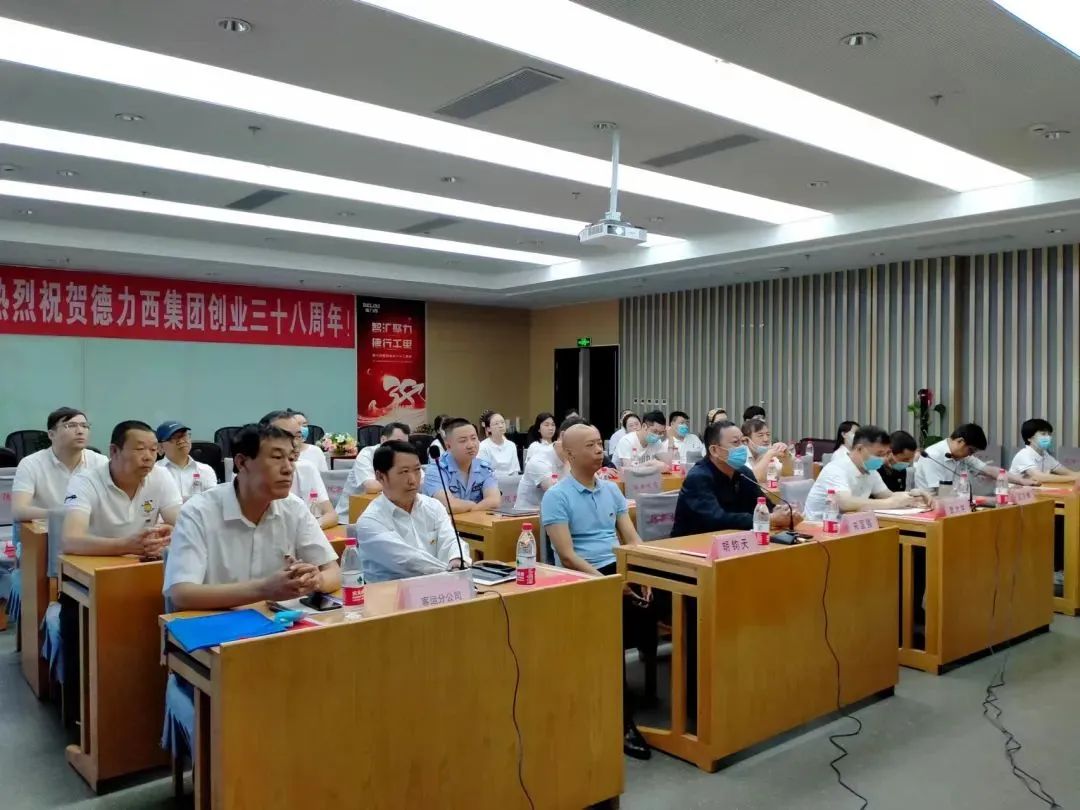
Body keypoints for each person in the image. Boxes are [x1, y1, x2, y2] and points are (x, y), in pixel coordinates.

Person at [541, 423, 658, 761]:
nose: (598, 451)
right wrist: (610, 583)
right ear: (569, 454)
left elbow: (632, 539)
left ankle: (668, 696)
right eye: (590, 445)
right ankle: (621, 721)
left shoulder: (610, 490)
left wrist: (643, 571)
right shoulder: (557, 496)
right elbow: (567, 555)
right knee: (613, 620)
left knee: (667, 597)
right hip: (581, 577)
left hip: (616, 567)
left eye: (599, 444)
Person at [164, 422, 342, 609]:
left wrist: (315, 580)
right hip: (217, 621)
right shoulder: (198, 512)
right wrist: (264, 589)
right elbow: (182, 594)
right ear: (242, 462)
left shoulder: (294, 507)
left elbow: (334, 572)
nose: (288, 468)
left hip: (278, 619)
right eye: (277, 457)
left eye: (291, 459)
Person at [62, 420, 182, 557]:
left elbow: (182, 524)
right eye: (140, 449)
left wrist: (171, 535)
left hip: (144, 562)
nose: (148, 457)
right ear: (114, 451)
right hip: (96, 563)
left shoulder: (161, 475)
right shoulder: (85, 482)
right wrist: (126, 546)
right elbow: (70, 541)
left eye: (153, 450)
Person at [355, 441, 470, 582]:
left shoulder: (433, 506)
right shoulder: (370, 521)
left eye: (417, 470)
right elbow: (407, 561)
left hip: (439, 586)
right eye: (404, 472)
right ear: (380, 477)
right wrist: (451, 572)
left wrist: (457, 560)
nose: (413, 480)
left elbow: (451, 539)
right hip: (391, 592)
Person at [672, 420, 801, 536]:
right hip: (693, 543)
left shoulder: (743, 473)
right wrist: (769, 519)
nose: (742, 448)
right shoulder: (698, 477)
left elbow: (763, 505)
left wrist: (783, 512)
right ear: (715, 450)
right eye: (735, 443)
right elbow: (717, 519)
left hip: (734, 538)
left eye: (742, 442)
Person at [804, 426, 928, 520]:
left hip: (849, 526)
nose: (883, 459)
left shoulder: (871, 471)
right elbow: (845, 503)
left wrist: (915, 496)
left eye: (885, 454)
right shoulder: (836, 468)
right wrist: (890, 503)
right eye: (879, 454)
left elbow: (887, 495)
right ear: (859, 449)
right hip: (819, 527)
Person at [11, 406, 108, 522]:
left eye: (84, 426)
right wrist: (61, 514)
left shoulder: (100, 462)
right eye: (71, 426)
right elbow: (19, 510)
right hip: (47, 529)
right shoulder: (31, 464)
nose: (80, 431)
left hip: (89, 528)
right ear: (51, 435)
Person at [261, 410, 337, 529]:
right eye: (286, 437)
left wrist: (309, 529)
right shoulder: (253, 474)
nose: (295, 444)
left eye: (298, 436)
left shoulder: (307, 468)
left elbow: (331, 514)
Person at [914, 422, 1030, 491]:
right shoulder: (933, 456)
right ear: (960, 441)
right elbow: (941, 492)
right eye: (970, 450)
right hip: (931, 507)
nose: (970, 454)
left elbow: (989, 470)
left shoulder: (962, 456)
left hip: (954, 504)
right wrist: (978, 499)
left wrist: (1021, 480)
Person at [334, 422, 411, 522]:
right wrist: (402, 482)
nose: (402, 448)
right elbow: (371, 487)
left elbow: (420, 481)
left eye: (405, 444)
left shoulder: (404, 457)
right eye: (398, 442)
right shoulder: (367, 454)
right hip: (349, 518)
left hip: (383, 515)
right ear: (383, 440)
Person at [421, 417, 501, 513]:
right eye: (463, 441)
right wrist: (476, 505)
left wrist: (470, 508)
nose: (471, 445)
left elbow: (494, 501)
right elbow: (449, 505)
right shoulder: (436, 470)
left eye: (474, 438)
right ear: (448, 446)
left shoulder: (484, 468)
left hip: (477, 521)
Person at [516, 421, 572, 512]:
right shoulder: (539, 461)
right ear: (562, 436)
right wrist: (568, 460)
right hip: (529, 515)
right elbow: (558, 495)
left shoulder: (579, 457)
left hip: (558, 512)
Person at [155, 421, 218, 501]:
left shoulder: (205, 470)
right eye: (173, 438)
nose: (181, 441)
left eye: (184, 436)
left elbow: (213, 501)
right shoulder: (153, 471)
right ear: (160, 446)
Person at [1009, 419, 1080, 483]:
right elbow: (1039, 477)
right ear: (1030, 438)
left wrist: (1076, 476)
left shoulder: (1045, 455)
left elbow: (1070, 473)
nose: (1048, 437)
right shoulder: (1024, 454)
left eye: (1049, 434)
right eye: (1043, 434)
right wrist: (1074, 478)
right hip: (1015, 492)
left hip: (1034, 491)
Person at [741, 417, 789, 483]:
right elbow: (754, 480)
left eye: (768, 434)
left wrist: (786, 458)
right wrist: (768, 455)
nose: (766, 439)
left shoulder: (769, 451)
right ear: (746, 440)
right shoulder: (740, 456)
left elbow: (786, 476)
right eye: (760, 435)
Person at [477, 411, 521, 475]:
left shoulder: (511, 445)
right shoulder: (483, 446)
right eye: (496, 424)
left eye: (502, 422)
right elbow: (484, 472)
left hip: (510, 480)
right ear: (488, 428)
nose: (500, 426)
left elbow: (515, 470)